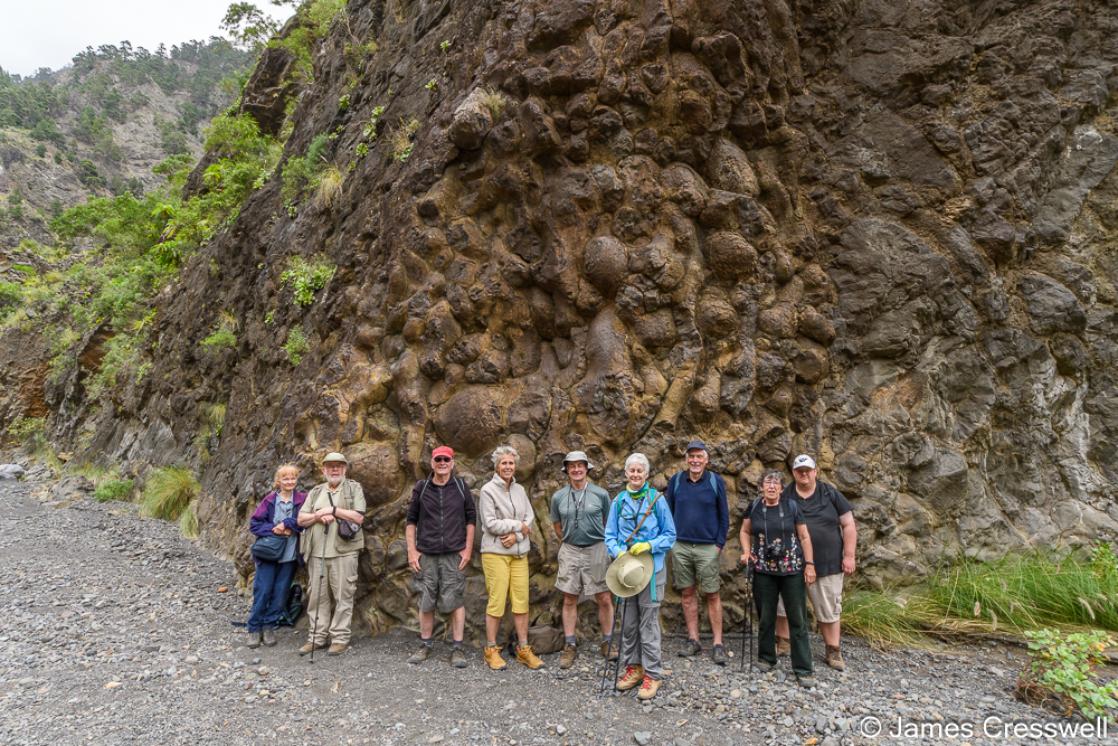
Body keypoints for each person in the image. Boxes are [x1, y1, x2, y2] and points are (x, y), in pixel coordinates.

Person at [775, 454, 857, 670]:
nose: (804, 474)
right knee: (782, 605)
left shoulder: (829, 493)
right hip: (790, 561)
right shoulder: (785, 495)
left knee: (828, 607)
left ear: (815, 471)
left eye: (807, 470)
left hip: (827, 562)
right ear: (793, 473)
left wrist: (849, 555)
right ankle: (783, 642)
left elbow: (848, 524)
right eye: (799, 470)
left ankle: (833, 650)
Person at [604, 453, 677, 701]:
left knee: (648, 623)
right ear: (626, 474)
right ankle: (633, 667)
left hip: (652, 570)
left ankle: (653, 673)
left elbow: (670, 535)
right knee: (629, 622)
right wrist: (618, 551)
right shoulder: (619, 502)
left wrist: (650, 545)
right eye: (631, 471)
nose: (635, 475)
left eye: (640, 471)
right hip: (626, 572)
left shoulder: (656, 499)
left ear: (646, 474)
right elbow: (610, 536)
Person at [740, 469, 817, 688]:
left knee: (798, 619)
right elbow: (745, 531)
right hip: (763, 569)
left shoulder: (791, 506)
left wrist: (809, 564)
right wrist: (746, 552)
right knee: (765, 617)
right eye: (768, 482)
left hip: (791, 569)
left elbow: (804, 536)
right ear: (761, 486)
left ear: (782, 488)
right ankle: (766, 657)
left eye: (776, 483)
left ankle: (803, 668)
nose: (772, 486)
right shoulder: (755, 506)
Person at [406, 446, 476, 668]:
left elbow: (471, 519)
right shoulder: (422, 487)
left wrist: (467, 549)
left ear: (452, 463)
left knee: (455, 600)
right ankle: (425, 645)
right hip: (426, 553)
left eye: (446, 459)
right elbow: (411, 521)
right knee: (426, 600)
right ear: (432, 463)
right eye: (438, 459)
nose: (442, 463)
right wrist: (411, 551)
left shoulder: (461, 487)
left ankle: (457, 647)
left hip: (454, 553)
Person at [477, 445, 544, 671]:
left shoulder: (520, 490)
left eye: (511, 463)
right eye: (504, 463)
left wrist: (516, 535)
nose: (508, 467)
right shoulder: (487, 490)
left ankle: (523, 649)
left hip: (518, 552)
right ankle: (491, 649)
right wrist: (518, 526)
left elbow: (530, 518)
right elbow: (490, 523)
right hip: (495, 553)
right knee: (496, 601)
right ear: (497, 466)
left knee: (521, 600)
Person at [665, 439, 729, 665]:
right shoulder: (676, 481)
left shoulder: (714, 481)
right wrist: (671, 541)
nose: (694, 460)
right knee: (687, 594)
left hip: (707, 547)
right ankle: (694, 640)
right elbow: (667, 512)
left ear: (706, 459)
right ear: (686, 459)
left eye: (699, 456)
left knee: (712, 594)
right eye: (691, 456)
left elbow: (724, 515)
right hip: (681, 546)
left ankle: (718, 643)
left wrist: (719, 544)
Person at [549, 450, 614, 669]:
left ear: (587, 468)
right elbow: (557, 525)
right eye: (572, 466)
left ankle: (607, 641)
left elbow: (608, 521)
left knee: (603, 596)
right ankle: (570, 644)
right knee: (569, 597)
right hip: (570, 549)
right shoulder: (558, 496)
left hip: (597, 548)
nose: (576, 469)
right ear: (566, 470)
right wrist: (569, 539)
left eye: (580, 465)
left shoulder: (601, 494)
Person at [297, 452, 366, 656]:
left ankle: (339, 638)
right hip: (316, 553)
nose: (334, 469)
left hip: (344, 553)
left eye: (338, 466)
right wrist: (319, 516)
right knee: (317, 597)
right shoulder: (316, 491)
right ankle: (316, 638)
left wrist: (334, 510)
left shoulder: (353, 489)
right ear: (324, 470)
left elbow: (358, 517)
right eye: (330, 466)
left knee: (343, 596)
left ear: (344, 469)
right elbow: (301, 519)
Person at [246, 464, 307, 647]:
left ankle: (269, 626)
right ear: (278, 481)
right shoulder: (270, 501)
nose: (290, 482)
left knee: (280, 593)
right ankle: (254, 628)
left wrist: (287, 524)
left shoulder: (302, 500)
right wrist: (275, 529)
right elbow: (254, 524)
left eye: (293, 478)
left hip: (289, 556)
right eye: (285, 478)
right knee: (263, 591)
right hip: (268, 555)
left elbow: (305, 521)